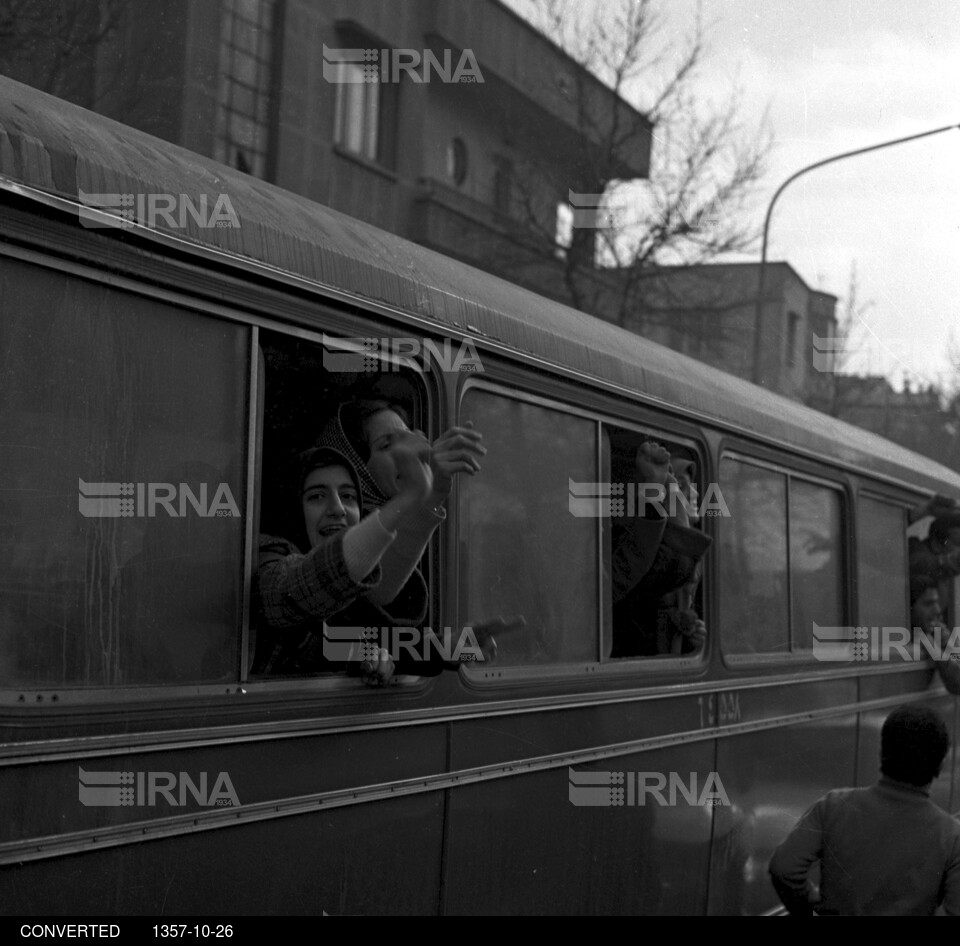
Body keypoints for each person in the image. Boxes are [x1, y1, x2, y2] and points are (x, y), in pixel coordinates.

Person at [253, 439, 434, 683]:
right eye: (317, 496)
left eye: (348, 496)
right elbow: (292, 590)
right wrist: (403, 504)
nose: (338, 509)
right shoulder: (265, 557)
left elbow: (390, 647)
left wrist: (461, 648)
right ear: (291, 508)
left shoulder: (353, 593)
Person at [769, 703, 960, 916]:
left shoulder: (833, 806)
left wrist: (808, 908)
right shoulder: (951, 836)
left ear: (881, 752)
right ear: (941, 765)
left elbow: (783, 868)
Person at [610, 440, 710, 657]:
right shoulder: (664, 552)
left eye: (692, 487)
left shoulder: (702, 562)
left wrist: (694, 636)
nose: (693, 495)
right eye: (681, 487)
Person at [910, 573, 960, 696]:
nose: (937, 610)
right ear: (910, 609)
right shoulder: (919, 637)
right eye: (928, 604)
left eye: (937, 603)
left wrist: (946, 642)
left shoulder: (936, 633)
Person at [909, 511, 960, 583]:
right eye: (958, 542)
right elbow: (915, 562)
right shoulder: (912, 548)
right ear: (937, 545)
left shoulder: (939, 574)